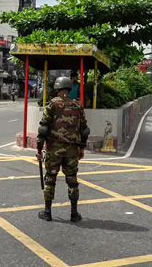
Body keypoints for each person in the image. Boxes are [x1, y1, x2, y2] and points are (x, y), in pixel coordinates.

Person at [36, 76, 90, 222]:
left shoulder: (52, 105)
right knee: (72, 180)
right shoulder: (77, 105)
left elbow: (43, 129)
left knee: (50, 179)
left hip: (54, 149)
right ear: (69, 88)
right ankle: (74, 213)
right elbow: (84, 130)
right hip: (72, 150)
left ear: (57, 89)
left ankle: (47, 211)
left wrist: (39, 150)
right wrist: (82, 147)